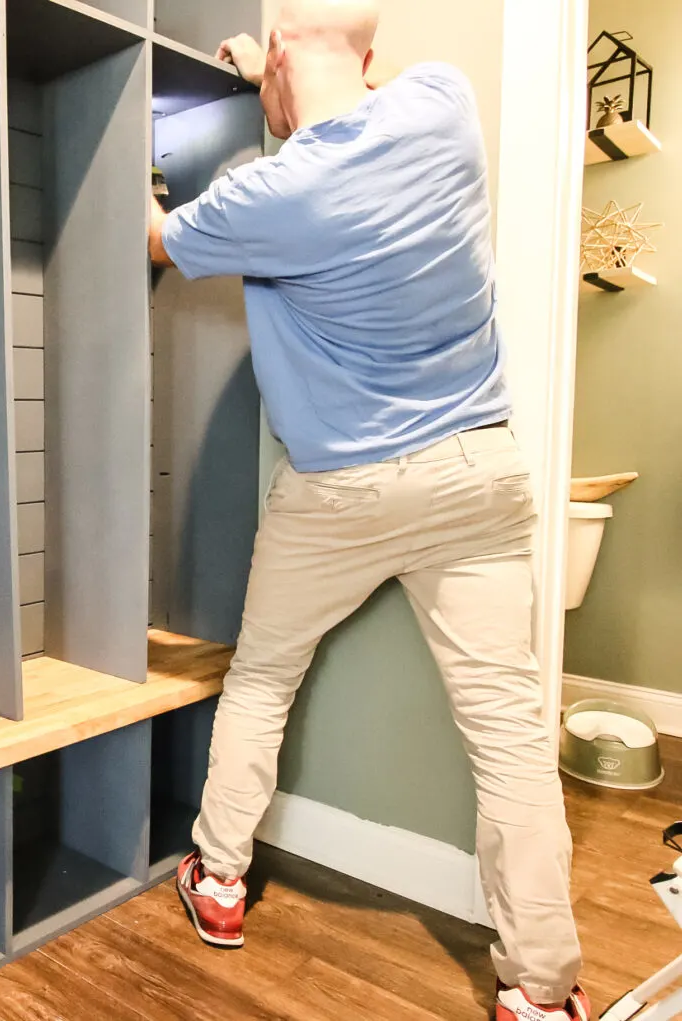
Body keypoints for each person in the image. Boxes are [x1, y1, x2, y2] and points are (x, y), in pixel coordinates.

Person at [147, 2, 589, 1019]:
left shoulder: (263, 192)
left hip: (337, 490)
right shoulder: (443, 104)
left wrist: (148, 178)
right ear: (372, 53)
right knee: (511, 739)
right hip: (475, 475)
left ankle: (218, 882)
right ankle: (541, 988)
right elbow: (352, 117)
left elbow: (163, 240)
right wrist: (283, 67)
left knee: (261, 677)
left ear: (287, 62)